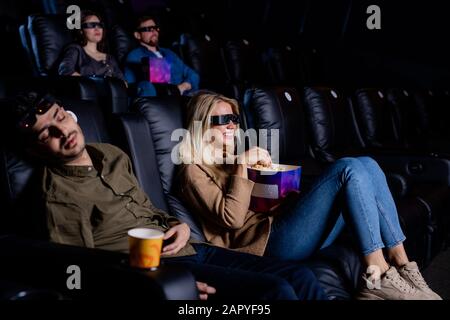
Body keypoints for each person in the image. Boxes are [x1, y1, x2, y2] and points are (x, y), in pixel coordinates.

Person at [6, 91, 328, 301]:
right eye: (47, 133)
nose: (63, 132)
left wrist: (179, 224)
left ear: (69, 113)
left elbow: (147, 209)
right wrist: (154, 287)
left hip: (192, 247)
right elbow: (81, 271)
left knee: (299, 275)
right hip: (158, 269)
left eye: (59, 118)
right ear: (36, 148)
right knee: (277, 291)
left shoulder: (112, 155)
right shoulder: (57, 197)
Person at [176, 92, 442, 300]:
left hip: (278, 225)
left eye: (234, 119)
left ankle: (403, 264)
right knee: (347, 168)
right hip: (265, 245)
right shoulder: (192, 170)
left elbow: (256, 204)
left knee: (368, 165)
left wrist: (281, 190)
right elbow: (232, 219)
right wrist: (242, 166)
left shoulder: (229, 158)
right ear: (201, 125)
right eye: (222, 120)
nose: (232, 126)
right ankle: (377, 275)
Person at [124, 15, 199, 96]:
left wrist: (184, 86)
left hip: (187, 94)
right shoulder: (134, 56)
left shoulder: (169, 53)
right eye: (149, 29)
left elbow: (193, 74)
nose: (154, 32)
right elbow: (133, 88)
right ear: (137, 35)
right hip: (163, 101)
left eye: (156, 28)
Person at [58, 11, 125, 81]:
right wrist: (90, 84)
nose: (97, 28)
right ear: (81, 30)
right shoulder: (76, 50)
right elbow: (65, 70)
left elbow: (123, 83)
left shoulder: (110, 58)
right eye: (91, 25)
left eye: (100, 25)